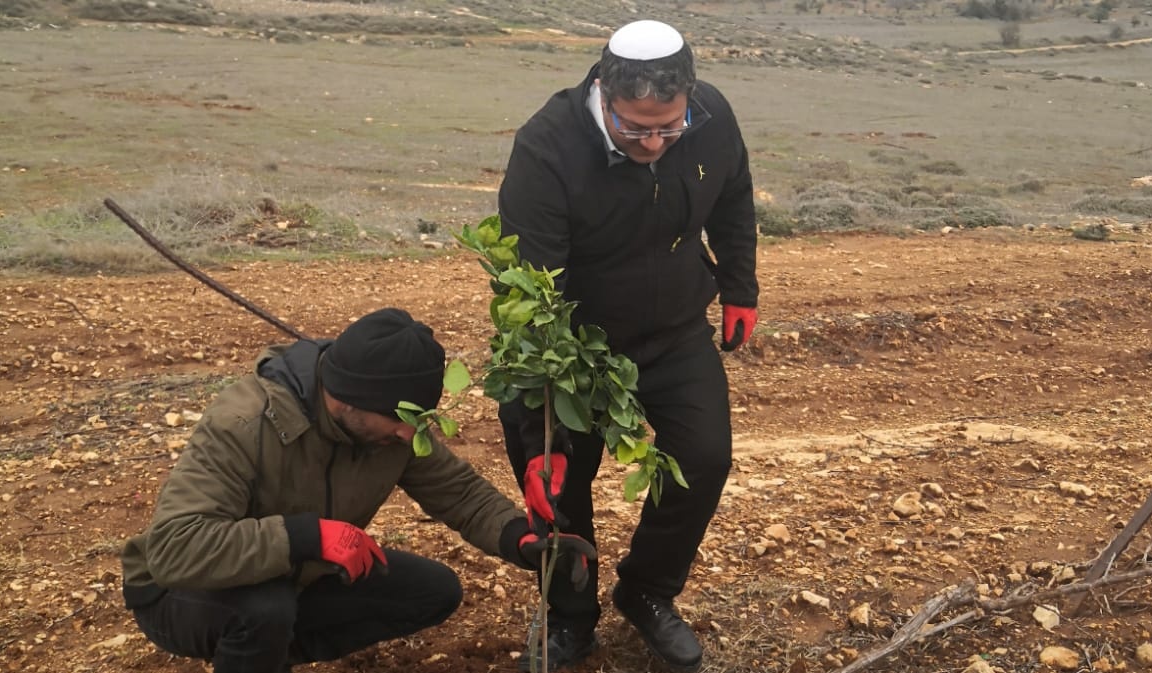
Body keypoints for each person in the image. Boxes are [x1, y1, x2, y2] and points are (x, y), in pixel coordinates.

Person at [119, 308, 596, 673]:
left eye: (417, 422)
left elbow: (459, 493)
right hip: (178, 593)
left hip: (293, 577)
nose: (410, 437)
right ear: (346, 401)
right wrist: (308, 538)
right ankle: (255, 645)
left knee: (433, 591)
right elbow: (174, 549)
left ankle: (264, 654)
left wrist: (523, 539)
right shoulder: (243, 423)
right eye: (400, 422)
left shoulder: (390, 427)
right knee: (266, 609)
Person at [497, 19, 759, 672]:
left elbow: (732, 197)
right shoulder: (547, 147)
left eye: (667, 128)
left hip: (673, 330)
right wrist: (538, 435)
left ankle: (647, 589)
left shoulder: (712, 117)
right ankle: (570, 617)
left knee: (703, 456)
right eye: (634, 126)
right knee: (559, 484)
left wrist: (740, 286)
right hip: (576, 344)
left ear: (689, 100)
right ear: (603, 94)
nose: (652, 142)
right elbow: (530, 294)